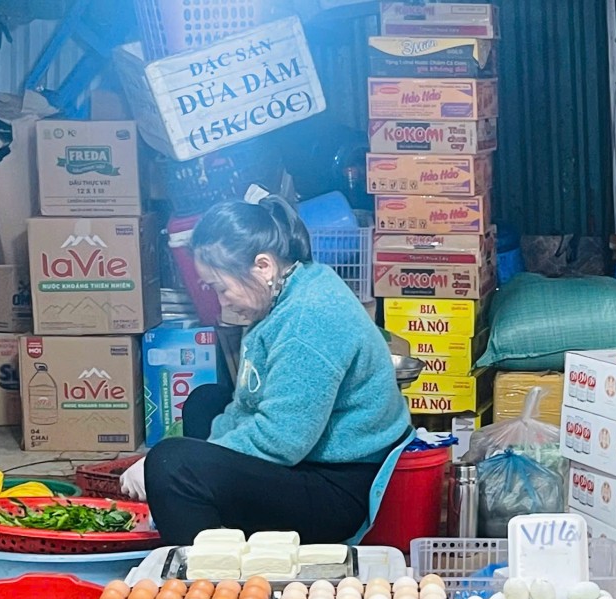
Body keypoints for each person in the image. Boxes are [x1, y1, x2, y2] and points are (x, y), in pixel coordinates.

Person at [120, 196, 412, 545]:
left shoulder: (308, 320)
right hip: (311, 453)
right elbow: (247, 403)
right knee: (204, 402)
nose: (221, 300)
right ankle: (200, 512)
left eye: (221, 287)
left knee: (170, 465)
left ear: (263, 266)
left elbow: (281, 439)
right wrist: (207, 458)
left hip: (339, 487)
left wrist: (167, 472)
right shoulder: (282, 291)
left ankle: (208, 572)